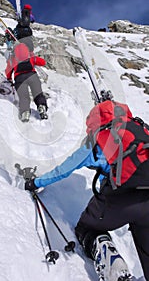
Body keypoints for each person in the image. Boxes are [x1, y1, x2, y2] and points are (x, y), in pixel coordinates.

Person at [25, 100, 149, 280]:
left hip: (120, 200)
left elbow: (63, 170)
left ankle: (111, 262)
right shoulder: (139, 130)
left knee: (87, 228)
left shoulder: (99, 139)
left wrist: (35, 183)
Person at [5, 42, 48, 122]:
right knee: (37, 93)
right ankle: (42, 106)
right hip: (32, 76)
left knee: (23, 96)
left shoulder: (12, 58)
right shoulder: (30, 56)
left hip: (19, 78)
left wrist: (9, 79)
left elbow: (8, 71)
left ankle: (25, 112)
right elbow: (43, 62)